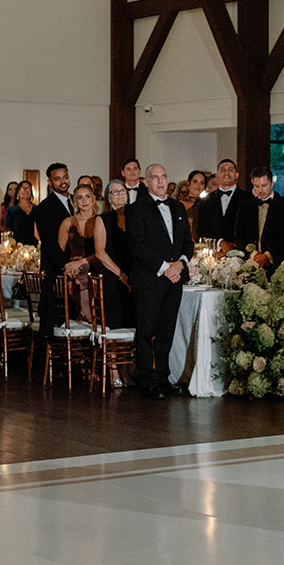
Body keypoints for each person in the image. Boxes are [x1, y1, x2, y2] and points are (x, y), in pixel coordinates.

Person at [127, 164, 193, 398]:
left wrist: (180, 264)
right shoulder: (136, 209)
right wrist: (165, 267)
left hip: (174, 279)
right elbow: (137, 245)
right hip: (149, 279)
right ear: (146, 182)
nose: (161, 181)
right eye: (155, 177)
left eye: (164, 176)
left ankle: (163, 378)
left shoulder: (178, 207)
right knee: (145, 331)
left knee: (167, 331)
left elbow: (187, 242)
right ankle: (146, 380)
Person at [33, 163, 75, 329]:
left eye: (65, 177)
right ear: (50, 182)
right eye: (57, 179)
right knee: (56, 321)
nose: (63, 182)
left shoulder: (75, 202)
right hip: (56, 271)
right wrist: (66, 267)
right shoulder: (45, 207)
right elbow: (49, 243)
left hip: (75, 269)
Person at [57, 183, 100, 322]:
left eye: (87, 197)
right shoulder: (67, 223)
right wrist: (67, 267)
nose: (84, 201)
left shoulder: (101, 221)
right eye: (80, 198)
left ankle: (90, 322)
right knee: (76, 274)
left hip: (97, 264)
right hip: (74, 271)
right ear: (75, 201)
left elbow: (104, 251)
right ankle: (84, 321)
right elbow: (59, 253)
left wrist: (83, 263)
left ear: (93, 199)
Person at [93, 182, 131, 327]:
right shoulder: (102, 219)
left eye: (122, 191)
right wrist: (121, 275)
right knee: (116, 322)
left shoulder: (136, 217)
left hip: (134, 274)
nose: (120, 194)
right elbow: (100, 253)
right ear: (108, 197)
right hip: (113, 275)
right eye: (115, 192)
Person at [196, 158, 250, 244]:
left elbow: (250, 228)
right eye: (223, 170)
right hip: (214, 252)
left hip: (241, 251)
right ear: (216, 176)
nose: (226, 173)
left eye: (230, 170)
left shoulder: (248, 199)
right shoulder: (206, 201)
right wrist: (220, 244)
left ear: (236, 175)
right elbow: (202, 229)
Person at [236, 166, 280, 252]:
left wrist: (268, 256)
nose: (260, 190)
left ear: (272, 184)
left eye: (264, 186)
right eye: (256, 186)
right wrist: (253, 254)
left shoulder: (282, 204)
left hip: (275, 261)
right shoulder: (244, 206)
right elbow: (238, 236)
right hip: (251, 260)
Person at [178, 170, 206, 240]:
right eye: (195, 181)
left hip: (203, 245)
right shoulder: (180, 204)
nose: (198, 186)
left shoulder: (206, 205)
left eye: (202, 183)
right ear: (188, 184)